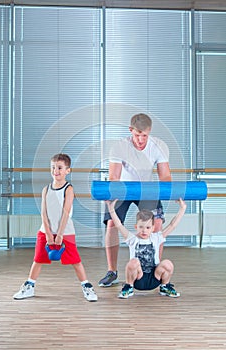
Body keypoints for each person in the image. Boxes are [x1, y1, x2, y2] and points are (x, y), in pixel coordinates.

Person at [99, 113, 172, 287]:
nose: (140, 139)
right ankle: (111, 271)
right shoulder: (119, 147)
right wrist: (112, 196)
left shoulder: (158, 146)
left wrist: (171, 192)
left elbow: (165, 176)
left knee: (158, 224)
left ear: (149, 132)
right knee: (111, 224)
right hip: (123, 188)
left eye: (144, 135)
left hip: (146, 188)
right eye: (137, 134)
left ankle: (155, 269)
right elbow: (114, 176)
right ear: (131, 130)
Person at [13, 153, 98, 302]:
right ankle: (29, 287)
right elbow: (43, 213)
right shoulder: (46, 189)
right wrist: (47, 232)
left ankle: (87, 287)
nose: (56, 171)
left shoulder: (68, 189)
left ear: (67, 171)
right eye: (53, 167)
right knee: (38, 259)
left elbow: (66, 213)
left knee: (75, 261)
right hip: (45, 231)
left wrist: (59, 234)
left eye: (59, 167)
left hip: (65, 231)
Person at [106, 198, 186, 298]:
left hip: (154, 278)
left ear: (153, 228)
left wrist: (182, 208)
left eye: (148, 228)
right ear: (136, 227)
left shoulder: (157, 237)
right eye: (141, 227)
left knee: (168, 264)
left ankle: (164, 286)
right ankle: (128, 287)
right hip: (138, 278)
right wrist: (111, 209)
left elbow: (172, 225)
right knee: (133, 262)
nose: (144, 231)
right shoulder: (132, 239)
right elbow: (118, 224)